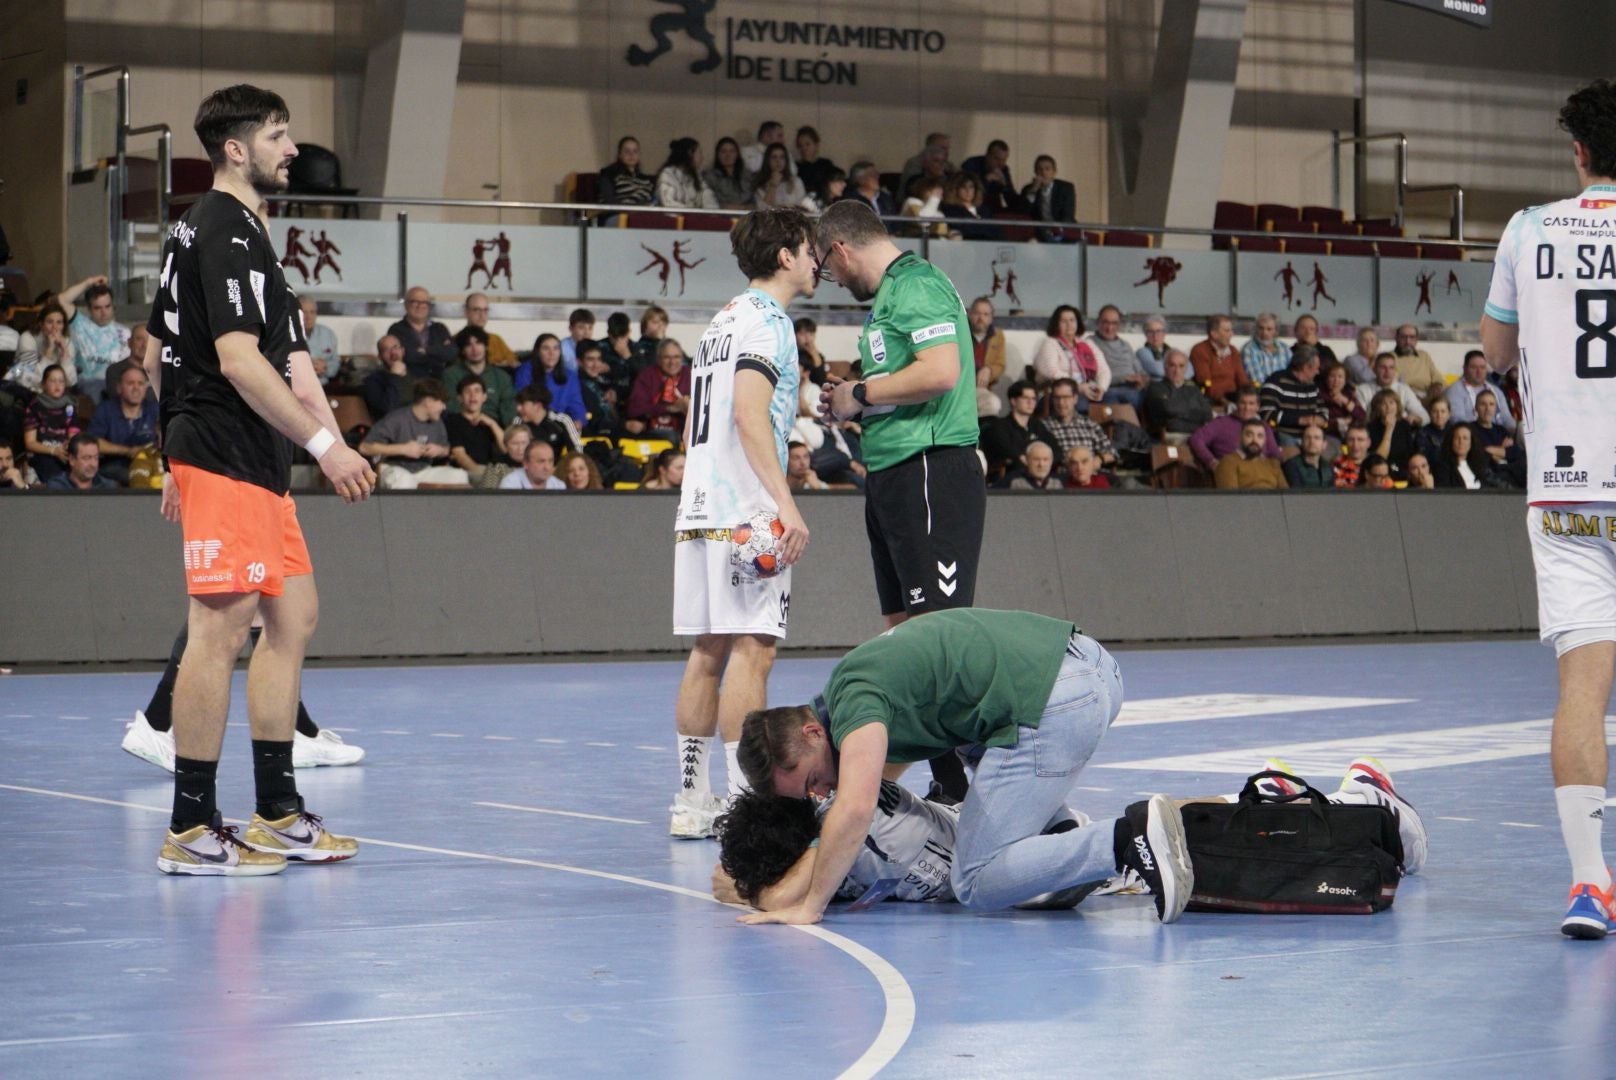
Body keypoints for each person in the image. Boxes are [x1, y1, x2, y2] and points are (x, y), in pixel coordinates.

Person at [142, 84, 372, 876]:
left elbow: (157, 353)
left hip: (246, 457)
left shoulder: (228, 233)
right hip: (229, 450)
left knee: (294, 615)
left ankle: (275, 811)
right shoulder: (222, 230)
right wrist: (325, 446)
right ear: (236, 149)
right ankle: (190, 827)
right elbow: (239, 361)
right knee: (219, 632)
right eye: (278, 135)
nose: (293, 148)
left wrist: (171, 446)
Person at [734, 609, 1193, 924]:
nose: (821, 792)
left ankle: (1126, 838)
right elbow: (875, 782)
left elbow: (856, 808)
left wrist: (811, 904)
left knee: (974, 881)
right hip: (1092, 668)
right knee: (971, 748)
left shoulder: (853, 700)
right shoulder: (854, 688)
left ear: (813, 733)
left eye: (813, 780)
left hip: (1058, 699)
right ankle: (1060, 830)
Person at [714, 756, 1427, 912]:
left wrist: (759, 883)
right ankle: (1332, 804)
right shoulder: (839, 805)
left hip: (1011, 857)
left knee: (1172, 837)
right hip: (1010, 835)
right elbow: (730, 880)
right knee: (1171, 835)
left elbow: (765, 896)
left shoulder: (839, 850)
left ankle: (1349, 801)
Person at [813, 200, 984, 803]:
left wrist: (859, 391)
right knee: (902, 639)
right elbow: (898, 380)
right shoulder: (890, 299)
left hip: (931, 471)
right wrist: (851, 397)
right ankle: (947, 785)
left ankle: (984, 785)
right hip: (891, 474)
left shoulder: (916, 286)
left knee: (935, 636)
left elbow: (940, 372)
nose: (833, 280)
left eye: (829, 269)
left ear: (841, 249)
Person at [669, 208, 814, 838]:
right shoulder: (770, 323)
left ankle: (692, 800)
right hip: (745, 512)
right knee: (753, 654)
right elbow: (750, 416)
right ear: (785, 255)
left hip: (700, 505)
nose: (817, 260)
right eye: (810, 249)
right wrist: (785, 503)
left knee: (707, 653)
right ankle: (738, 803)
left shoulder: (721, 321)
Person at [358, 379, 469, 489]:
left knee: (459, 475)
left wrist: (438, 450)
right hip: (394, 469)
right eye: (441, 402)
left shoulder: (437, 422)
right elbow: (365, 447)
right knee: (405, 481)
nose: (444, 407)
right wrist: (402, 449)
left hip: (423, 470)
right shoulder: (397, 419)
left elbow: (446, 450)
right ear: (428, 401)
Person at [86, 361, 159, 485]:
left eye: (140, 384)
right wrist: (127, 451)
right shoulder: (106, 409)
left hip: (151, 465)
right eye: (130, 383)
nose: (136, 387)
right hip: (114, 467)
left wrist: (143, 451)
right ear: (119, 388)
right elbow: (93, 442)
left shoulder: (155, 410)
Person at [60, 275, 129, 399]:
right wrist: (89, 282)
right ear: (89, 309)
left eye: (107, 306)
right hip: (88, 382)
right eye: (97, 308)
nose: (104, 312)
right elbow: (61, 300)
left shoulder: (125, 332)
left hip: (118, 383)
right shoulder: (80, 323)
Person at [1188, 386, 1278, 471]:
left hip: (1260, 473)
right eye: (1243, 403)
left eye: (1251, 403)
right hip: (1232, 472)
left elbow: (1274, 453)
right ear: (1236, 404)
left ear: (1257, 407)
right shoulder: (1221, 423)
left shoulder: (1264, 427)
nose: (1247, 408)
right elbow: (1196, 439)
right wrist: (1211, 461)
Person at [1033, 305, 1108, 406]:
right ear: (1056, 324)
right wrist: (1077, 387)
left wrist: (1101, 387)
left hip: (1087, 390)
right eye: (1064, 321)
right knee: (1085, 403)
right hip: (1056, 393)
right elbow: (1050, 371)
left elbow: (1104, 370)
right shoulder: (1050, 343)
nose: (1069, 324)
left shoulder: (1088, 344)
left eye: (1072, 320)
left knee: (1116, 399)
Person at [442, 326, 516, 427]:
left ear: (486, 346)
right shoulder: (451, 374)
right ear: (463, 350)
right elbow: (451, 407)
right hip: (462, 426)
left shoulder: (501, 377)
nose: (474, 349)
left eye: (478, 343)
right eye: (468, 345)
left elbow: (509, 410)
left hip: (494, 428)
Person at [1257, 343, 1327, 447]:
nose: (1317, 372)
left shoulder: (1313, 387)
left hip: (1310, 436)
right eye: (1316, 368)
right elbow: (1266, 413)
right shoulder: (1276, 381)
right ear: (1305, 367)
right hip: (1284, 436)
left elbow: (1323, 410)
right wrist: (1300, 420)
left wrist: (1321, 419)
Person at [23, 363, 82, 485]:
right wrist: (54, 451)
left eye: (61, 381)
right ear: (44, 384)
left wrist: (67, 447)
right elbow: (30, 443)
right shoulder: (34, 407)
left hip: (65, 453)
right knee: (57, 480)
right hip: (43, 453)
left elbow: (73, 435)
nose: (57, 385)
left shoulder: (70, 405)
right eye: (52, 381)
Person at [981, 379, 1054, 476]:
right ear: (1013, 401)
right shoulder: (999, 426)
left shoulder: (1037, 425)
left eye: (1033, 399)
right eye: (1026, 398)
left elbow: (1055, 448)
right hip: (1012, 477)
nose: (1030, 402)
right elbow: (1005, 451)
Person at [514, 332, 587, 427]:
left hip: (561, 425)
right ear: (537, 352)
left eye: (556, 348)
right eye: (546, 348)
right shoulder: (525, 371)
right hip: (532, 423)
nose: (551, 353)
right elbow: (523, 403)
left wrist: (578, 421)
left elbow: (576, 405)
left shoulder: (570, 376)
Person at [444, 373, 506, 483]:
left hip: (489, 470)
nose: (473, 396)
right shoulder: (453, 421)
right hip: (466, 473)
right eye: (467, 391)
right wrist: (482, 474)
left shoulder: (490, 421)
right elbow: (459, 455)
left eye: (477, 391)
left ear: (484, 397)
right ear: (460, 398)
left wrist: (492, 424)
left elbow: (506, 449)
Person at [1040, 377, 1116, 465]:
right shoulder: (1044, 426)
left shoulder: (1089, 424)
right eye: (1057, 398)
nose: (1061, 402)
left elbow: (1112, 452)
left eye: (1066, 397)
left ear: (1075, 399)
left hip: (1090, 474)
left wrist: (1098, 460)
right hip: (1062, 475)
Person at [627, 337, 692, 442]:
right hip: (656, 428)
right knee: (671, 437)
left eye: (676, 357)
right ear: (658, 359)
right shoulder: (647, 376)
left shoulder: (690, 374)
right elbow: (635, 409)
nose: (672, 362)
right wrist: (670, 408)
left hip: (687, 427)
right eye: (667, 357)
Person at [1142, 349, 1212, 443]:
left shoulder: (1193, 389)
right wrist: (1194, 413)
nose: (1177, 371)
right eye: (1172, 365)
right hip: (1171, 435)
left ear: (1186, 369)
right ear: (1165, 367)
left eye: (1181, 366)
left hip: (1197, 434)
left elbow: (1207, 413)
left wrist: (1178, 414)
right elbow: (1168, 411)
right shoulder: (1155, 388)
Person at [387, 286, 458, 380]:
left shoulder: (440, 329)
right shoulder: (396, 330)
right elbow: (406, 356)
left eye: (424, 302)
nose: (420, 306)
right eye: (415, 302)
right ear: (406, 304)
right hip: (408, 383)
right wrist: (438, 351)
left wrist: (427, 350)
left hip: (438, 383)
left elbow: (451, 353)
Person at [1088, 305, 1149, 410]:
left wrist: (1143, 380)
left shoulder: (1125, 345)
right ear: (1098, 322)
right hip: (1108, 389)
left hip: (1132, 390)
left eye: (1114, 323)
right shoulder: (1089, 343)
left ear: (1119, 325)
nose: (1110, 328)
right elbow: (1090, 378)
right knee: (1114, 399)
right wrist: (1123, 378)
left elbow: (1141, 371)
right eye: (1106, 322)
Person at [10, 303, 77, 391]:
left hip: (50, 388)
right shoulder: (28, 338)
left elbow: (71, 381)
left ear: (64, 326)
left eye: (59, 322)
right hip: (20, 380)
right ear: (41, 324)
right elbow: (30, 380)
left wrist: (64, 351)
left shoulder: (66, 342)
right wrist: (49, 351)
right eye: (49, 322)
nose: (55, 327)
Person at [1445, 349, 1517, 431]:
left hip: (1499, 435)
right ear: (1464, 368)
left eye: (1482, 367)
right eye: (1474, 367)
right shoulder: (1454, 391)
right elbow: (1458, 421)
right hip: (1472, 437)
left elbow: (1506, 417)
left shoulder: (1496, 390)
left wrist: (1511, 433)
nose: (1479, 371)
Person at [1355, 352, 1430, 425]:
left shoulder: (1404, 389)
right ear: (1374, 370)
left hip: (1400, 430)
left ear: (1395, 371)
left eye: (1391, 368)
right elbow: (1361, 418)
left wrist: (1417, 419)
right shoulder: (1362, 390)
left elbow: (1425, 417)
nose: (1387, 372)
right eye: (1383, 367)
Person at [1190, 314, 1249, 405]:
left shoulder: (1233, 351)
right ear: (1214, 334)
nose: (1231, 334)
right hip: (1212, 401)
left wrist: (1248, 396)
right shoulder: (1200, 350)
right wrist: (1224, 401)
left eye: (1231, 330)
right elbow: (1205, 383)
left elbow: (1242, 380)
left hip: (1234, 398)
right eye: (1227, 331)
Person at [1214, 419, 1287, 490]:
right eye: (1249, 435)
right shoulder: (1228, 462)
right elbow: (1230, 499)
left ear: (1265, 441)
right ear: (1240, 437)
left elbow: (1287, 496)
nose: (1255, 440)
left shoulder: (1273, 463)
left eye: (1260, 436)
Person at [515, 384, 581, 458]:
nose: (518, 408)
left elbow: (577, 451)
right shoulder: (518, 422)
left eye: (522, 404)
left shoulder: (562, 420)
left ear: (538, 406)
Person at [967, 296, 1007, 417]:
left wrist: (989, 369)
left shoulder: (998, 336)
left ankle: (980, 435)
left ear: (991, 318)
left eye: (985, 314)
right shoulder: (959, 332)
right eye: (977, 313)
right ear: (969, 314)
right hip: (959, 386)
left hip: (981, 388)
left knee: (992, 404)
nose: (981, 318)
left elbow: (1000, 364)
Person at [1020, 155, 1077, 239]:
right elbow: (1023, 212)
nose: (1043, 173)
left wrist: (1057, 231)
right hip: (1039, 233)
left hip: (1063, 230)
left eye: (1047, 169)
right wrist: (1034, 191)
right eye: (1040, 169)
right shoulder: (1028, 189)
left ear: (1054, 172)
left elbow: (1068, 215)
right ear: (1035, 172)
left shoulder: (1066, 188)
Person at [656, 137, 719, 210]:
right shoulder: (667, 175)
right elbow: (668, 203)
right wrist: (693, 212)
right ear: (689, 153)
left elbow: (709, 199)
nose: (702, 157)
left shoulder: (697, 177)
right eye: (699, 153)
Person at [1366, 387, 1416, 476]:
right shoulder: (1371, 428)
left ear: (1397, 406)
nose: (1388, 407)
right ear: (1377, 407)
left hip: (1403, 467)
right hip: (1382, 468)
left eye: (1391, 403)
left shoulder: (1404, 425)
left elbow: (1410, 452)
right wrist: (1389, 429)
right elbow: (1378, 459)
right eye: (1383, 404)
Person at [361, 334, 410, 421]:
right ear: (380, 356)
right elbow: (388, 409)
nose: (393, 352)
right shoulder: (372, 382)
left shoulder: (417, 376)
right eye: (387, 350)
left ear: (403, 351)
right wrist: (394, 376)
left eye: (396, 347)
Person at [462, 293, 517, 369]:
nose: (482, 315)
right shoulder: (456, 340)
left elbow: (513, 362)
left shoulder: (496, 340)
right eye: (476, 310)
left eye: (485, 310)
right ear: (466, 312)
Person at [960, 139, 1015, 214]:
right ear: (988, 155)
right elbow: (969, 193)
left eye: (1004, 160)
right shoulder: (971, 165)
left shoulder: (1004, 170)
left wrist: (1005, 186)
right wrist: (986, 179)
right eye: (997, 159)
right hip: (972, 208)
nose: (1000, 163)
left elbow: (1012, 201)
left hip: (993, 210)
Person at [597, 135, 655, 206]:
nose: (631, 155)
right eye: (627, 151)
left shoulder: (646, 180)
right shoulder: (609, 174)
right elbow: (608, 201)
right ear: (620, 154)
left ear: (639, 155)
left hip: (643, 213)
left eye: (635, 151)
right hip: (618, 213)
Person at [46, 432, 117, 490]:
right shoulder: (58, 487)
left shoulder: (108, 487)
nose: (93, 464)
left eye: (96, 458)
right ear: (72, 460)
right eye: (87, 458)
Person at [1317, 358, 1366, 440]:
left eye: (1340, 377)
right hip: (1328, 436)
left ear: (1345, 380)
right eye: (1332, 376)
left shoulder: (1349, 395)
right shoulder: (1320, 395)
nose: (1336, 380)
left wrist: (1345, 401)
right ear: (1326, 378)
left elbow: (1362, 416)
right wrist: (1340, 422)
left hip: (1350, 436)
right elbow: (1321, 422)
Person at [1429, 421, 1487, 490]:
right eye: (1457, 438)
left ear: (1471, 442)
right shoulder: (1442, 468)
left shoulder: (1479, 465)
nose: (1461, 442)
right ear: (1451, 441)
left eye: (1465, 438)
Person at [1392, 324, 1444, 400]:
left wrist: (1435, 389)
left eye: (1412, 337)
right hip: (1403, 397)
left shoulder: (1424, 356)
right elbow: (1393, 385)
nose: (1408, 341)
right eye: (1403, 337)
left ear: (1416, 340)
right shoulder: (1389, 358)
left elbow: (1438, 379)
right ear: (1396, 338)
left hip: (1428, 396)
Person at [752, 143, 808, 210]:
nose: (778, 161)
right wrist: (773, 185)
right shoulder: (761, 184)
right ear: (767, 160)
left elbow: (803, 207)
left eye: (782, 157)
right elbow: (762, 209)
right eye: (774, 157)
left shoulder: (796, 181)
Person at [938, 173, 992, 241]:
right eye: (963, 187)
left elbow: (994, 231)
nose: (968, 191)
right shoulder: (950, 210)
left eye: (971, 187)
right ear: (956, 190)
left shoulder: (984, 210)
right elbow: (964, 231)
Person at [794, 126, 839, 206]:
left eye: (807, 144)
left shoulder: (825, 164)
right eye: (800, 146)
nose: (804, 148)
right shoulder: (795, 167)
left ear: (816, 145)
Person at [476, 422, 529, 490]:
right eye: (515, 443)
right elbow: (487, 494)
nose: (520, 448)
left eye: (524, 443)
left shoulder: (538, 464)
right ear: (506, 445)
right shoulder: (496, 466)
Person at [299, 296, 339, 384]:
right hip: (296, 387)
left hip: (322, 386)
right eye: (304, 312)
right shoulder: (286, 334)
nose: (308, 317)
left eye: (312, 312)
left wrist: (325, 368)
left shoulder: (328, 334)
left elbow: (335, 362)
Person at [704, 136, 751, 210]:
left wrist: (742, 207)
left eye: (732, 151)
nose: (728, 155)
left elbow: (754, 203)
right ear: (717, 155)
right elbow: (712, 202)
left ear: (737, 154)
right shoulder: (710, 177)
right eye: (723, 152)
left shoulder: (748, 175)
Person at [1241, 312, 1288, 385]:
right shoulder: (1249, 349)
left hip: (1285, 391)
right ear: (1255, 329)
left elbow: (1292, 375)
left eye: (1269, 329)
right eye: (1261, 328)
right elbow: (1256, 380)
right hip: (1262, 393)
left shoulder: (1285, 349)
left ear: (1276, 332)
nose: (1264, 333)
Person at [499, 438, 565, 490]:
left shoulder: (559, 486)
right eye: (541, 461)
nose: (547, 467)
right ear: (526, 463)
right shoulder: (510, 484)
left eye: (550, 461)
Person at [1282, 423, 1332, 488]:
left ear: (1324, 444)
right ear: (1302, 442)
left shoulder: (1328, 467)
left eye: (1316, 438)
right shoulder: (1291, 466)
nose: (1312, 441)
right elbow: (1297, 494)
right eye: (1307, 437)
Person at [1333, 423, 1372, 488]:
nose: (1355, 445)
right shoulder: (1335, 465)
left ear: (1368, 443)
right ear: (1346, 442)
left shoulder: (1377, 465)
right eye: (1351, 440)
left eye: (1360, 440)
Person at [560, 308, 596, 372]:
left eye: (590, 328)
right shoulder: (561, 348)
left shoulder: (595, 347)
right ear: (570, 328)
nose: (587, 332)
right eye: (581, 327)